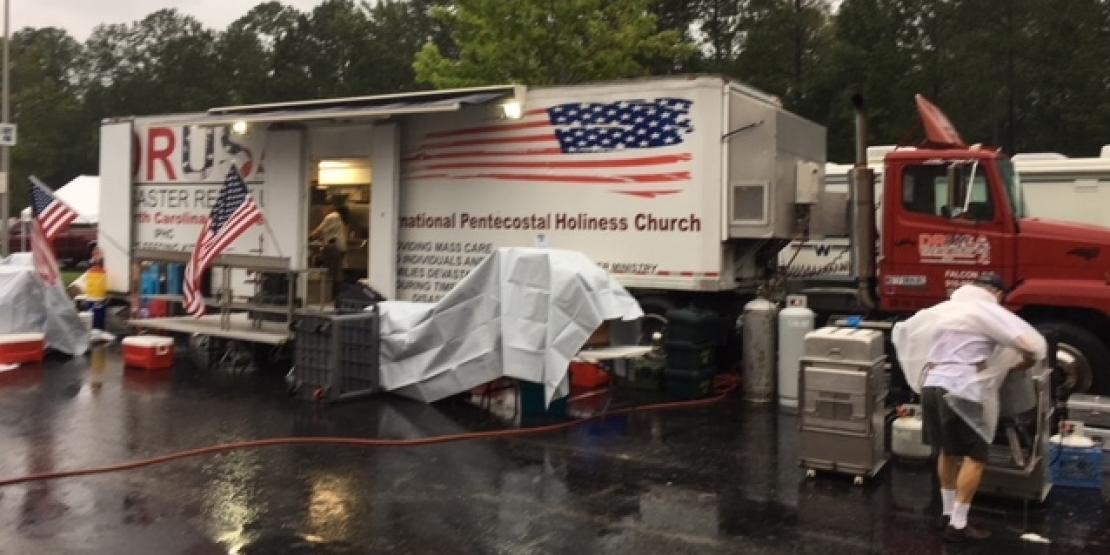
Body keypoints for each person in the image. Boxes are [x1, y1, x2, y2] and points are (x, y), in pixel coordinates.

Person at [917, 274, 1043, 542]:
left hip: (931, 383)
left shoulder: (949, 309)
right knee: (976, 456)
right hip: (960, 387)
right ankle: (959, 525)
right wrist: (1026, 361)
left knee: (947, 450)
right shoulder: (986, 311)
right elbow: (1030, 345)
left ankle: (947, 513)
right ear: (996, 293)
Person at [309, 194, 351, 303]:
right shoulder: (337, 216)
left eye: (323, 208)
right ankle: (336, 297)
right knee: (336, 274)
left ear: (329, 207)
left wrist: (307, 238)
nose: (322, 211)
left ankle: (334, 298)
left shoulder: (331, 217)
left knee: (333, 275)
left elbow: (318, 231)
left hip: (333, 249)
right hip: (338, 248)